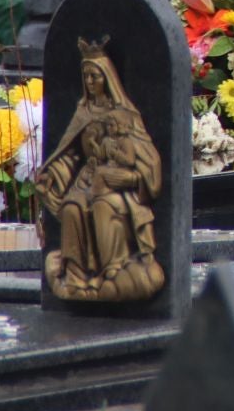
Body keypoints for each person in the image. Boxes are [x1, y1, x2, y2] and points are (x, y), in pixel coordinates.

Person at [37, 46, 165, 302]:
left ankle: (112, 270)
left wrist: (133, 176)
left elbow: (146, 158)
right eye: (86, 76)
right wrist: (53, 174)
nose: (90, 81)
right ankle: (75, 278)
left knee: (104, 207)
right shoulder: (84, 111)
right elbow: (72, 154)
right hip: (87, 178)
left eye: (95, 76)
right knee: (72, 208)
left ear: (108, 78)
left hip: (118, 184)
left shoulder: (126, 115)